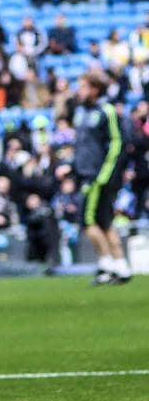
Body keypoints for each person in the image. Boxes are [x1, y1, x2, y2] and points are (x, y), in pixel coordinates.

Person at [73, 71, 131, 285]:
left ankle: (107, 264)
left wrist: (104, 174)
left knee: (88, 220)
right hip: (85, 173)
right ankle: (120, 266)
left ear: (95, 89)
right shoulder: (80, 112)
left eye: (83, 87)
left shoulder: (106, 111)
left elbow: (117, 143)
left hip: (97, 176)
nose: (79, 91)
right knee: (104, 222)